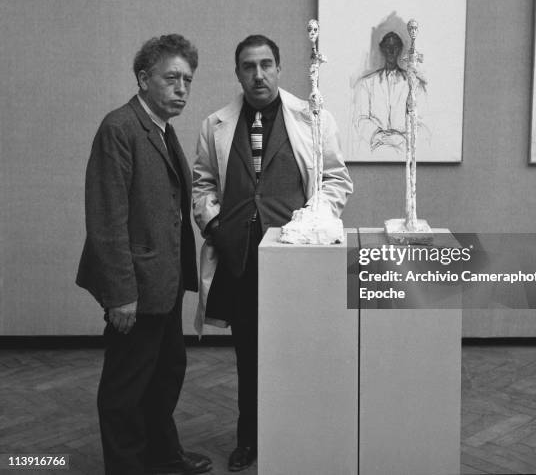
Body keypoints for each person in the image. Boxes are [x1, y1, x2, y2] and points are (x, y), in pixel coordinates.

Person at [192, 34, 352, 472]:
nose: (258, 74)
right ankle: (250, 439)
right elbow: (202, 183)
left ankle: (304, 436)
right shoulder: (216, 125)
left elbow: (336, 180)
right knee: (249, 356)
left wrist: (312, 221)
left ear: (280, 69)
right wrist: (214, 225)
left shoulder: (313, 118)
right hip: (242, 261)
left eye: (266, 64)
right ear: (237, 72)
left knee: (301, 351)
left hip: (297, 262)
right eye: (248, 66)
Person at [77, 34, 212, 474]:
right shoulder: (120, 127)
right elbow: (106, 219)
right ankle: (126, 465)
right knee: (125, 387)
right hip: (135, 289)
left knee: (165, 374)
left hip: (164, 286)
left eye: (187, 80)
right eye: (172, 78)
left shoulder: (160, 130)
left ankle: (161, 453)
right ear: (142, 78)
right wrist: (120, 295)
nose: (182, 89)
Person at [352, 31, 426, 153]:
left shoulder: (414, 84)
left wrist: (401, 138)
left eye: (395, 46)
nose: (391, 51)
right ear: (382, 49)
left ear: (400, 49)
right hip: (374, 148)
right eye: (387, 47)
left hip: (404, 148)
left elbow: (420, 122)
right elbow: (360, 119)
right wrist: (380, 136)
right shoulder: (367, 83)